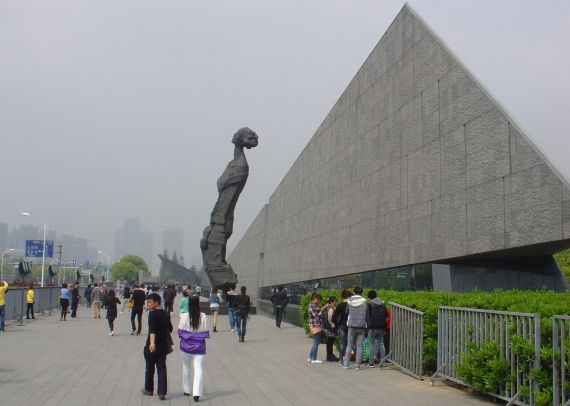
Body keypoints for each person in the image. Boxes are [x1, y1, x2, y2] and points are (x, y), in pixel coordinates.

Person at [178, 294, 210, 402]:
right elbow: (206, 331)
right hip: (199, 346)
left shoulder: (185, 316)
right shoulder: (204, 316)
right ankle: (196, 393)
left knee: (186, 367)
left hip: (186, 346)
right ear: (198, 303)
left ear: (189, 303)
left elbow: (180, 331)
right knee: (198, 368)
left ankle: (187, 389)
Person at [142, 293, 173, 401]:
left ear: (157, 302)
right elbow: (170, 328)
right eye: (147, 302)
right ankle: (162, 393)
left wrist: (152, 343)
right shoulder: (165, 313)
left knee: (149, 368)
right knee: (161, 368)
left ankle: (149, 389)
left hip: (153, 346)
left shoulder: (152, 314)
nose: (148, 304)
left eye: (150, 302)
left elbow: (152, 330)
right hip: (163, 345)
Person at [343, 286, 367, 370]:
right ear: (362, 292)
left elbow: (346, 312)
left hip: (352, 326)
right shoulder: (364, 302)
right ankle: (357, 365)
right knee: (359, 346)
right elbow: (366, 314)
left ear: (353, 292)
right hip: (361, 326)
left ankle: (346, 364)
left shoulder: (349, 301)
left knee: (349, 345)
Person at [366, 290, 387, 367]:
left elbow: (368, 317)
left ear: (370, 297)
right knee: (381, 344)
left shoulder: (369, 304)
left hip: (372, 327)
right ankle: (383, 362)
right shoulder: (383, 304)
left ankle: (371, 363)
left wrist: (369, 327)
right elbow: (385, 316)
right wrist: (384, 328)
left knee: (371, 344)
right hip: (381, 327)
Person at [332, 289, 352, 364]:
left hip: (342, 326)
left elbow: (334, 316)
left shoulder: (340, 305)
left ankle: (341, 359)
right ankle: (348, 358)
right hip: (350, 325)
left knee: (342, 343)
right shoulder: (352, 304)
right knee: (350, 343)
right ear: (350, 296)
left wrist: (336, 325)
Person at [321, 296, 339, 362]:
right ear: (332, 302)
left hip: (328, 326)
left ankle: (330, 355)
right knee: (330, 341)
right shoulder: (331, 308)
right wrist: (332, 325)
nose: (336, 302)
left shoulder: (328, 307)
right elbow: (329, 318)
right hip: (330, 327)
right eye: (335, 301)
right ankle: (329, 356)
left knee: (329, 342)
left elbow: (321, 310)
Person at [307, 293, 324, 364]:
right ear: (314, 299)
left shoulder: (313, 306)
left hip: (314, 325)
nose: (319, 301)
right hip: (315, 326)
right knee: (316, 343)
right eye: (318, 299)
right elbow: (317, 316)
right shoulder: (312, 307)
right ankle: (314, 358)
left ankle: (310, 357)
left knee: (315, 342)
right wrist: (322, 310)